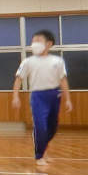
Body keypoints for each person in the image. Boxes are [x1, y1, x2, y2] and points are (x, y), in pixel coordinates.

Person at [12, 30, 73, 166]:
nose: (34, 43)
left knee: (52, 126)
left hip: (54, 95)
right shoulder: (28, 61)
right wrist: (15, 96)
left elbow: (63, 80)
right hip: (38, 96)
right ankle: (39, 155)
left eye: (38, 40)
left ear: (49, 44)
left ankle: (44, 148)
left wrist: (68, 99)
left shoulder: (58, 61)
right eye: (33, 41)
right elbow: (18, 79)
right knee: (40, 125)